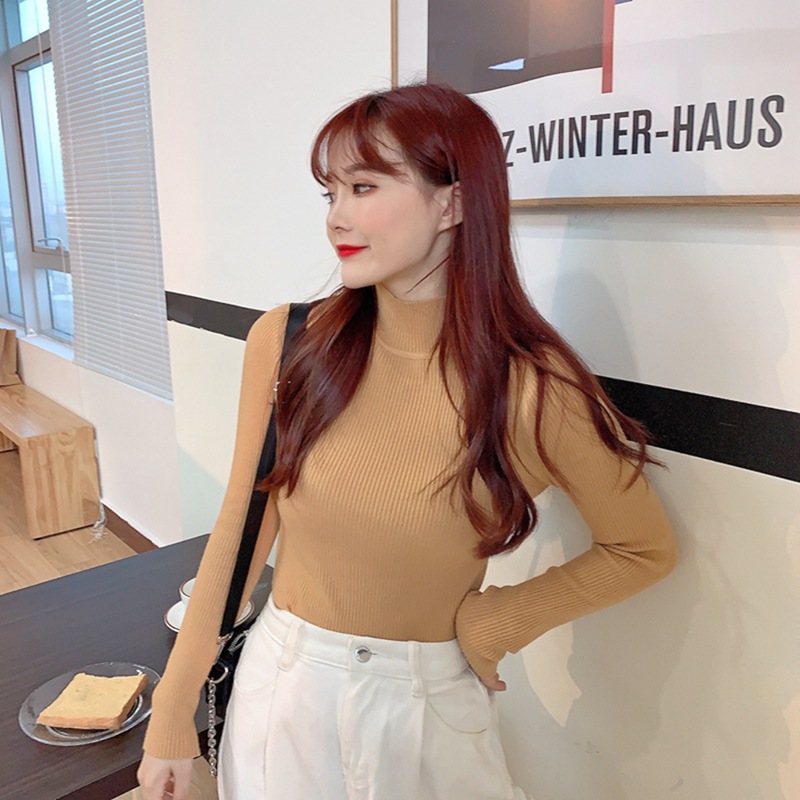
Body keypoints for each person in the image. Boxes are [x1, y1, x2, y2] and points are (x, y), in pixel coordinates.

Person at [137, 83, 678, 800]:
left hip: (427, 706)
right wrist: (172, 709)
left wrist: (498, 621)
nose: (336, 216)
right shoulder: (291, 343)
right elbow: (240, 527)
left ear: (452, 204)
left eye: (363, 187)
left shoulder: (532, 387)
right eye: (330, 192)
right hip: (285, 690)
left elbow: (642, 546)